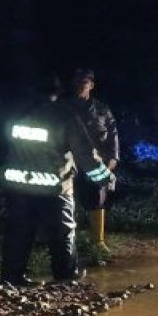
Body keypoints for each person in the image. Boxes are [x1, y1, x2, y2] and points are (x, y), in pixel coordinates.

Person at [0, 75, 113, 285]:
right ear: (58, 93)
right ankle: (65, 278)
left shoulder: (16, 113)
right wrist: (106, 178)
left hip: (17, 185)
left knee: (18, 232)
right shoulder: (63, 116)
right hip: (53, 187)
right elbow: (85, 154)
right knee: (62, 232)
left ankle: (11, 279)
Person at [64, 69, 120, 250]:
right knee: (69, 200)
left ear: (91, 85)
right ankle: (70, 241)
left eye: (83, 82)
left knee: (97, 199)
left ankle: (98, 242)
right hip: (70, 163)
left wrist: (113, 158)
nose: (79, 85)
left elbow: (112, 133)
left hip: (96, 163)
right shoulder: (63, 108)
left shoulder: (102, 109)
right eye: (76, 82)